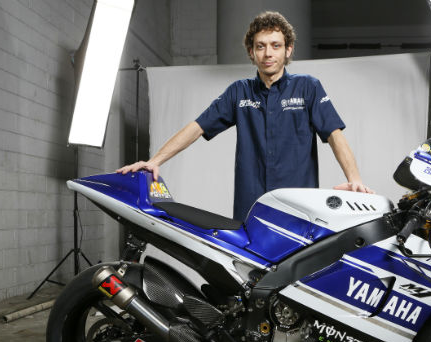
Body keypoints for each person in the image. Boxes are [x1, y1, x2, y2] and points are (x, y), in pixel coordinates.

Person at [118, 11, 373, 221]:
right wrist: (155, 161)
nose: (268, 53)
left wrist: (355, 180)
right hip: (252, 208)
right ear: (251, 52)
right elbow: (197, 127)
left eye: (276, 46)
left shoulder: (308, 87)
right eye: (260, 46)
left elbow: (334, 135)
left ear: (288, 50)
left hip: (299, 209)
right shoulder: (239, 92)